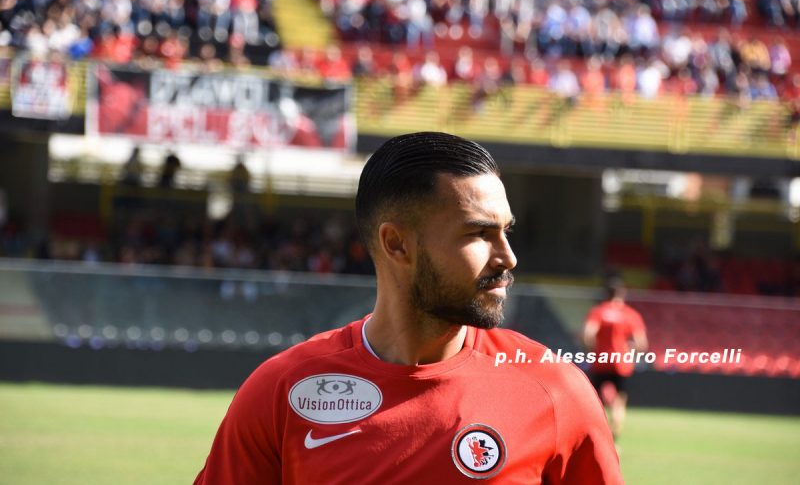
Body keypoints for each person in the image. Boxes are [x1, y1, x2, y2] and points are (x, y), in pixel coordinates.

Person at [195, 132, 622, 483]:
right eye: (479, 234)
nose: (507, 257)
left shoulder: (554, 390)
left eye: (506, 231)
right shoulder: (280, 392)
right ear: (396, 243)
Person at [583, 276, 648, 441]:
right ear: (622, 293)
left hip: (601, 361)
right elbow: (641, 343)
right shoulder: (631, 315)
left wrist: (593, 349)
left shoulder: (598, 312)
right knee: (620, 402)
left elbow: (588, 335)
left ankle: (597, 434)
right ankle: (615, 436)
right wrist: (629, 352)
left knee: (595, 401)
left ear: (605, 293)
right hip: (622, 363)